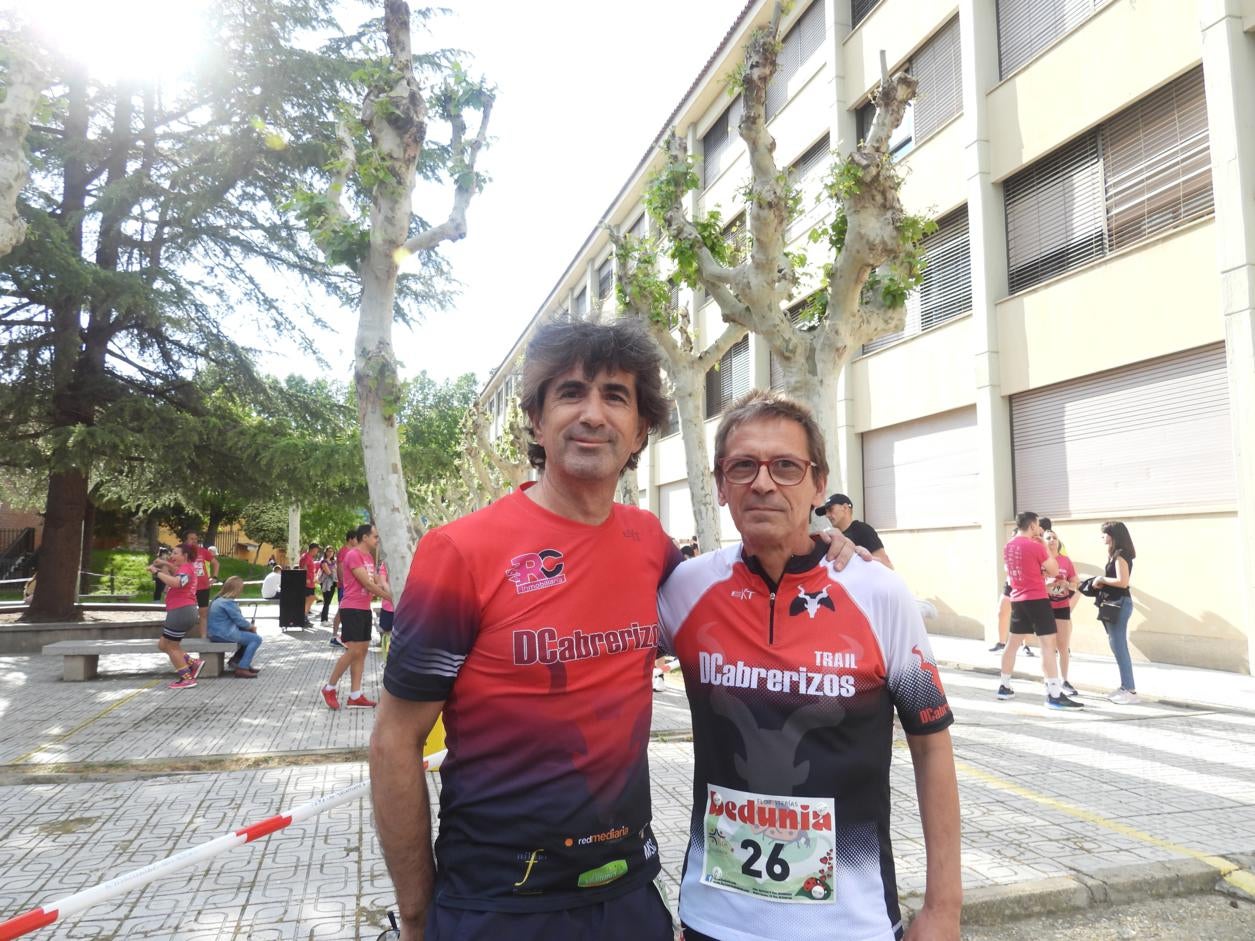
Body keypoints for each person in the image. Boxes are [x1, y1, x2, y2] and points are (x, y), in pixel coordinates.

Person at [370, 320, 863, 941]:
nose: (593, 414)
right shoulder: (460, 553)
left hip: (628, 893)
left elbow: (739, 598)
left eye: (615, 395)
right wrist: (416, 915)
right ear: (537, 420)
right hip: (498, 901)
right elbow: (394, 742)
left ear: (641, 431)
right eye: (571, 393)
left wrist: (816, 544)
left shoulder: (648, 544)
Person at [657, 391, 960, 941]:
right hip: (714, 919)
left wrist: (943, 908)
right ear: (721, 485)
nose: (764, 483)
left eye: (787, 467)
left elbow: (931, 745)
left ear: (819, 485)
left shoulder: (878, 593)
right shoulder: (686, 589)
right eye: (743, 466)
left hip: (851, 923)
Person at [997, 512, 1081, 709]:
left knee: (1012, 643)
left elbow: (1017, 570)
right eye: (1038, 527)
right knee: (1047, 645)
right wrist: (1043, 546)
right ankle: (1053, 694)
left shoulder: (1008, 546)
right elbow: (1053, 569)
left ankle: (1004, 685)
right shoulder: (1035, 545)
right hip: (1037, 598)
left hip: (1018, 599)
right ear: (1033, 525)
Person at [322, 523, 389, 710]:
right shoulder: (354, 555)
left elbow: (377, 581)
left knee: (362, 651)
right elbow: (368, 585)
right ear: (365, 537)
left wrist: (392, 591)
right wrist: (392, 598)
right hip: (352, 609)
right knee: (353, 651)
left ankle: (355, 695)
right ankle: (329, 688)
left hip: (364, 608)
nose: (378, 540)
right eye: (375, 536)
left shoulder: (368, 557)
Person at [1093, 520, 1138, 704]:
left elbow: (1123, 581)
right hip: (1114, 602)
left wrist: (1101, 578)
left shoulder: (1120, 555)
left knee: (1119, 646)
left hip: (1120, 602)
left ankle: (1130, 690)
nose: (1102, 536)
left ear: (1113, 535)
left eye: (1104, 533)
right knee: (1116, 646)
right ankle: (1124, 686)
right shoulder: (1114, 555)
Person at [149, 543, 203, 689]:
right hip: (183, 610)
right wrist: (164, 563)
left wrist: (156, 572)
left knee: (171, 646)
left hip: (181, 611)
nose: (172, 556)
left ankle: (187, 678)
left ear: (185, 556)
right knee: (163, 645)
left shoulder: (186, 569)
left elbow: (177, 582)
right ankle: (192, 663)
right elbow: (176, 571)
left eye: (175, 553)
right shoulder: (188, 567)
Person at [1043, 529, 1079, 696]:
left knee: (1063, 646)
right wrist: (1049, 585)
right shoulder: (1040, 561)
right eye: (1048, 538)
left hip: (1062, 607)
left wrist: (1067, 584)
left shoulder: (1066, 561)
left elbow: (1074, 582)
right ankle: (1050, 680)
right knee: (1048, 647)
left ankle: (1065, 680)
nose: (1052, 540)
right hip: (1044, 607)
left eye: (1054, 537)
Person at [815, 492, 893, 568]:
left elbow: (886, 566)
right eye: (826, 512)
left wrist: (859, 559)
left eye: (830, 509)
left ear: (845, 508)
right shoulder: (835, 537)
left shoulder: (862, 530)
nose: (827, 515)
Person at [207, 575, 263, 678]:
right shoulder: (228, 603)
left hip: (214, 633)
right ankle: (242, 667)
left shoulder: (218, 600)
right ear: (236, 589)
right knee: (256, 639)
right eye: (241, 589)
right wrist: (251, 627)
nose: (241, 591)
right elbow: (240, 621)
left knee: (248, 636)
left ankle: (237, 661)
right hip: (224, 634)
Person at [183, 528, 219, 639]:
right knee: (187, 612)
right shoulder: (180, 551)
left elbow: (216, 563)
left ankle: (203, 637)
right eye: (191, 539)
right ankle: (181, 637)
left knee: (203, 613)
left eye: (196, 539)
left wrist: (214, 577)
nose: (194, 541)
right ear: (185, 540)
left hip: (203, 586)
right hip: (187, 587)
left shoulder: (202, 551)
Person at [331, 528, 359, 648]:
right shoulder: (344, 551)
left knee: (345, 611)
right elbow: (340, 569)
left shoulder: (353, 551)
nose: (358, 541)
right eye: (357, 538)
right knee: (342, 611)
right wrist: (344, 584)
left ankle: (344, 635)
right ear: (351, 539)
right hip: (345, 587)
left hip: (351, 587)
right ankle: (334, 636)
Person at [298, 542, 320, 627]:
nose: (317, 552)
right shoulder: (306, 556)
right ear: (313, 549)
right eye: (316, 550)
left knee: (310, 600)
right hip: (307, 583)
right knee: (308, 600)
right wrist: (306, 578)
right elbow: (304, 567)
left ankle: (305, 617)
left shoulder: (310, 557)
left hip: (311, 583)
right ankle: (304, 618)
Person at [376, 560, 394, 659]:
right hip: (389, 605)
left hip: (405, 606)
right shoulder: (386, 563)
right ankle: (386, 658)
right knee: (386, 633)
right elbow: (383, 582)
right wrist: (394, 595)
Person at [319, 545, 338, 623]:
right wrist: (336, 578)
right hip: (326, 584)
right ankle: (323, 619)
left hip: (333, 583)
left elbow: (336, 572)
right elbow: (329, 573)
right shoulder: (324, 562)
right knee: (326, 601)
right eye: (328, 551)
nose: (330, 553)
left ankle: (325, 618)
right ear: (325, 552)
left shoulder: (333, 561)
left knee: (328, 602)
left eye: (332, 551)